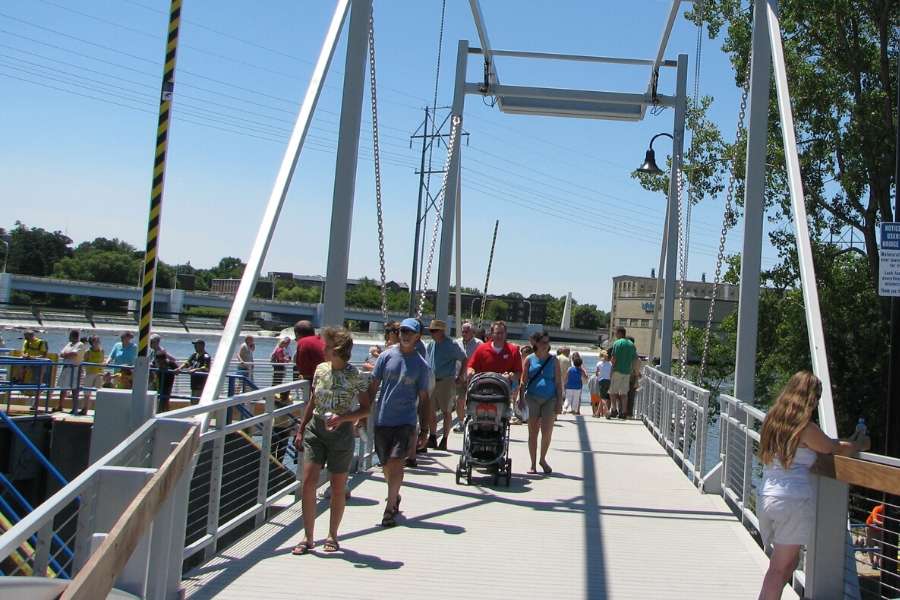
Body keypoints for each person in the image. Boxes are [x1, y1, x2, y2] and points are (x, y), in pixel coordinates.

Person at [756, 371, 869, 600]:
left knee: (787, 564)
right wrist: (860, 443)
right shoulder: (805, 427)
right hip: (792, 501)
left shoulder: (773, 420)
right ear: (809, 397)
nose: (817, 402)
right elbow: (833, 448)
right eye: (816, 397)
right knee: (779, 570)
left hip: (767, 495)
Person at [291, 327, 371, 555]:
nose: (322, 349)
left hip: (342, 432)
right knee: (308, 482)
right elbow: (313, 401)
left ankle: (332, 536)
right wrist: (301, 427)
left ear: (336, 350)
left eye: (326, 346)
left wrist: (344, 417)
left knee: (337, 487)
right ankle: (308, 537)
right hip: (316, 429)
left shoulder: (354, 375)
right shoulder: (320, 369)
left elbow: (366, 409)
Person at [366, 318, 431, 527]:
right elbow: (373, 386)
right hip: (383, 418)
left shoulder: (421, 364)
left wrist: (424, 429)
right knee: (385, 464)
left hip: (406, 421)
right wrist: (362, 414)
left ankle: (389, 508)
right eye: (402, 330)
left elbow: (424, 398)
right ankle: (394, 494)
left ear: (417, 337)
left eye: (410, 332)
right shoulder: (386, 356)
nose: (405, 335)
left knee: (396, 461)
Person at [520, 330, 562, 474]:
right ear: (536, 343)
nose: (546, 345)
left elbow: (558, 383)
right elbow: (523, 381)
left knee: (547, 431)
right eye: (543, 342)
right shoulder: (529, 359)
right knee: (533, 432)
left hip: (550, 399)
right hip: (532, 398)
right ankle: (532, 464)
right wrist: (520, 399)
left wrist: (559, 402)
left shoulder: (554, 360)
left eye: (547, 342)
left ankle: (542, 459)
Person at [425, 319, 467, 450]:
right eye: (430, 331)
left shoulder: (452, 344)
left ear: (441, 331)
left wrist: (460, 376)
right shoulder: (431, 344)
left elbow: (464, 358)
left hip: (446, 381)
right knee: (430, 411)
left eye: (434, 331)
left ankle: (444, 438)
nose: (431, 333)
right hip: (432, 380)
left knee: (446, 411)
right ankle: (432, 437)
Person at [466, 320, 522, 388]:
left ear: (506, 334)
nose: (500, 336)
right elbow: (471, 366)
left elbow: (519, 373)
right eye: (497, 333)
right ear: (492, 333)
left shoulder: (514, 350)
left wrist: (511, 376)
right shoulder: (482, 348)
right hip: (483, 388)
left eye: (502, 333)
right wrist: (470, 371)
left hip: (503, 389)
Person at [453, 321, 483, 432]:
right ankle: (461, 423)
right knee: (459, 400)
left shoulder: (479, 344)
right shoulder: (456, 343)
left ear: (472, 332)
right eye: (463, 331)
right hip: (459, 377)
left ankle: (473, 422)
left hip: (474, 378)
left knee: (474, 401)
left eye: (466, 331)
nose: (464, 333)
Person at [608, 327, 636, 420]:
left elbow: (614, 358)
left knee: (612, 392)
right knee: (624, 393)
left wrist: (611, 369)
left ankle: (614, 410)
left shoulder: (617, 343)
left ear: (620, 333)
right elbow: (634, 359)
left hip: (617, 370)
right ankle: (624, 412)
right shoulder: (631, 344)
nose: (615, 334)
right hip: (627, 372)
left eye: (616, 333)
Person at [56, 329, 86, 412]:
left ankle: (74, 408)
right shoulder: (69, 344)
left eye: (70, 335)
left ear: (73, 336)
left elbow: (74, 354)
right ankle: (60, 406)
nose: (69, 337)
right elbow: (61, 353)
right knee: (63, 388)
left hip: (74, 369)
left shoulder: (80, 344)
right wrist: (66, 355)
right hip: (66, 368)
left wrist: (66, 355)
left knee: (74, 389)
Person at [149, 334, 177, 412]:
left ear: (157, 342)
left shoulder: (161, 351)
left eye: (152, 342)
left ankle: (164, 413)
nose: (150, 344)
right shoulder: (152, 351)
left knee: (163, 397)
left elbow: (172, 359)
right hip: (155, 377)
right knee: (156, 397)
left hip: (162, 377)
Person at [294, 320, 325, 388]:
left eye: (296, 338)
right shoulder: (322, 340)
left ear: (297, 334)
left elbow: (304, 370)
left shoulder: (303, 342)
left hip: (318, 384)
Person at [80, 335, 105, 414]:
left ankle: (100, 409)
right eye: (96, 341)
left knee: (99, 392)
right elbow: (84, 362)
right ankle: (85, 409)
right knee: (87, 392)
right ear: (92, 342)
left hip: (99, 373)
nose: (98, 342)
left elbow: (102, 360)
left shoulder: (102, 351)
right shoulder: (88, 351)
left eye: (98, 341)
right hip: (90, 373)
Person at [595, 350, 612, 418]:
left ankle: (607, 411)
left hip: (601, 381)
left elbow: (596, 373)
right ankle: (597, 413)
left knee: (602, 397)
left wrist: (599, 375)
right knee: (604, 396)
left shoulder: (599, 363)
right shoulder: (611, 364)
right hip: (608, 381)